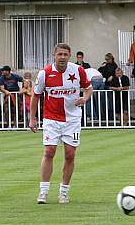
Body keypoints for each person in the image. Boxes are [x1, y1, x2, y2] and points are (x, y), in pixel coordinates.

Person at [30, 43, 93, 204]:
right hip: (51, 118)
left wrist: (85, 98)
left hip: (72, 119)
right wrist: (32, 118)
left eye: (65, 54)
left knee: (70, 154)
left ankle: (63, 192)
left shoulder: (78, 70)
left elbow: (88, 88)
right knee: (49, 151)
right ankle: (43, 192)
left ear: (69, 56)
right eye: (60, 54)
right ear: (54, 55)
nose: (62, 57)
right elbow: (36, 95)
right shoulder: (45, 73)